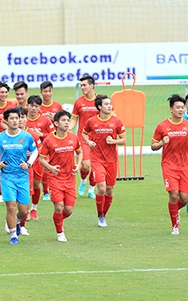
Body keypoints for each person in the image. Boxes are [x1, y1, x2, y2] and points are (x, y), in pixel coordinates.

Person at [0, 107, 38, 244]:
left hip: (22, 177)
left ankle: (15, 221)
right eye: (12, 118)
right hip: (7, 177)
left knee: (23, 211)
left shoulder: (26, 136)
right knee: (11, 206)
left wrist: (28, 164)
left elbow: (35, 152)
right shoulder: (0, 137)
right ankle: (13, 235)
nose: (15, 121)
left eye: (17, 118)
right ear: (6, 120)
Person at [151, 94, 188, 236]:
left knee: (184, 198)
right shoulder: (162, 126)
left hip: (184, 166)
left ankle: (175, 211)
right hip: (169, 165)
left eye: (182, 107)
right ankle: (174, 226)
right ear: (171, 109)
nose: (181, 110)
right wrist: (161, 143)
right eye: (178, 107)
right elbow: (153, 146)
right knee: (173, 195)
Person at [82, 95, 126, 227]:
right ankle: (100, 215)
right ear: (99, 107)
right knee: (101, 188)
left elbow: (124, 140)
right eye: (106, 104)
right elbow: (84, 133)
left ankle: (104, 214)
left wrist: (114, 141)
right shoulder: (92, 121)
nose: (109, 106)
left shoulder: (117, 122)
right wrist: (88, 141)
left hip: (112, 160)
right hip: (97, 160)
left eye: (110, 103)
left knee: (109, 189)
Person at [39, 110, 82, 242]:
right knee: (59, 207)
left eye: (68, 120)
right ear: (56, 123)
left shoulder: (73, 138)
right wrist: (51, 168)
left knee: (68, 210)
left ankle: (57, 220)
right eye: (63, 120)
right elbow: (42, 159)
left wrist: (78, 165)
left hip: (70, 178)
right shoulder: (49, 140)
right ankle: (60, 232)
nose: (67, 123)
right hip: (55, 178)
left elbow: (80, 153)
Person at [70, 75, 101, 199]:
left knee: (96, 167)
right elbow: (74, 120)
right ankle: (83, 181)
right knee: (85, 165)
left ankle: (91, 189)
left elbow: (110, 115)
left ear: (92, 85)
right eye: (81, 85)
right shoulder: (79, 102)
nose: (82, 87)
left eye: (85, 85)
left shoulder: (100, 100)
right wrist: (68, 128)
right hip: (83, 138)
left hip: (98, 139)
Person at [26, 95, 54, 204]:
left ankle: (34, 208)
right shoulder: (23, 120)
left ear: (39, 108)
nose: (33, 108)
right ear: (27, 106)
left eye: (36, 106)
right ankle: (26, 210)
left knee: (36, 183)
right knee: (27, 183)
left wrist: (41, 134)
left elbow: (53, 135)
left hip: (40, 155)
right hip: (25, 156)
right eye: (31, 106)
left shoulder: (45, 120)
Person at [18, 107, 42, 222]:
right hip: (23, 166)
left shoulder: (33, 134)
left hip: (36, 163)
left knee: (37, 186)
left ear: (26, 119)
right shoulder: (11, 134)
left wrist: (32, 153)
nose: (20, 120)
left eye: (23, 117)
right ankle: (25, 211)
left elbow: (41, 150)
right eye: (18, 117)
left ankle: (34, 208)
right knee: (26, 188)